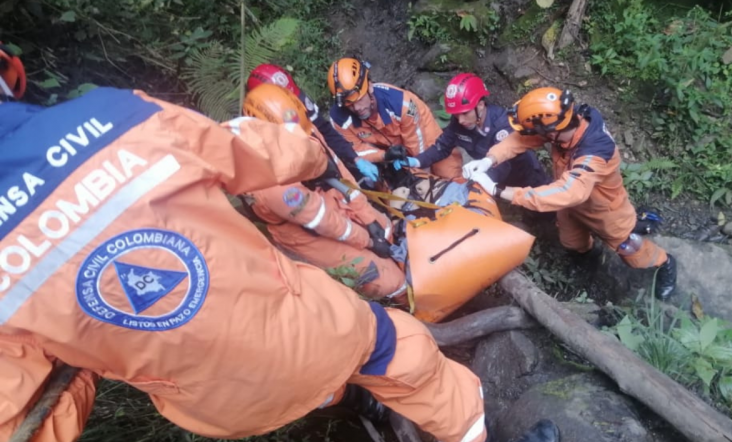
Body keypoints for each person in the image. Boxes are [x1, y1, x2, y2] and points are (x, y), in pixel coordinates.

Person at [0, 72, 559, 442]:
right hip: (307, 329)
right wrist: (364, 219)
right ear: (12, 74)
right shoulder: (114, 121)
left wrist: (91, 352)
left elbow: (25, 418)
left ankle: (344, 400)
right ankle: (464, 426)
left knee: (326, 359)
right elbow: (282, 166)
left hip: (217, 407)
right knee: (400, 346)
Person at [466, 87, 677, 300]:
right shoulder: (565, 124)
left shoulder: (594, 152)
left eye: (538, 131)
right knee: (572, 242)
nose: (535, 135)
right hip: (570, 207)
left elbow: (570, 191)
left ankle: (665, 262)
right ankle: (588, 257)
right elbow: (520, 140)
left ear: (551, 130)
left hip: (604, 209)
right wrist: (489, 159)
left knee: (630, 248)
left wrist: (499, 190)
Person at [234, 83, 408, 301]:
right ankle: (405, 307)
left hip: (325, 195)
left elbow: (338, 172)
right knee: (386, 280)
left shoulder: (299, 128)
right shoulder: (272, 185)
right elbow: (324, 222)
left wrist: (366, 215)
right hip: (305, 228)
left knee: (385, 229)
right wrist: (368, 241)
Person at [389, 73, 550, 189]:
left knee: (542, 212)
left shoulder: (501, 124)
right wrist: (416, 161)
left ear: (480, 105)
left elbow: (503, 164)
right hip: (496, 180)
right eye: (456, 115)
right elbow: (442, 147)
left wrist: (478, 183)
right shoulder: (459, 123)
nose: (460, 120)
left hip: (526, 176)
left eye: (465, 113)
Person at [327, 57, 463, 180]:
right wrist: (384, 156)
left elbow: (418, 149)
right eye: (350, 104)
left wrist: (423, 177)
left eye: (360, 100)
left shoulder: (401, 105)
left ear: (369, 87)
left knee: (447, 172)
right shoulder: (340, 119)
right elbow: (356, 149)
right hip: (387, 147)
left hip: (419, 129)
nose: (357, 108)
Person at [247, 63, 380, 184]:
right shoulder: (265, 143)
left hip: (324, 160)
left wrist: (354, 159)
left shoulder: (300, 100)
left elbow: (324, 130)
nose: (296, 103)